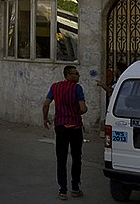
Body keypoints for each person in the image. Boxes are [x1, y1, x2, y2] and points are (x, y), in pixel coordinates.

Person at [42, 65, 88, 201]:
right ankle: (75, 188)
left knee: (61, 159)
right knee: (76, 158)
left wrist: (45, 119)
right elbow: (83, 108)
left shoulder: (55, 87)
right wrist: (76, 113)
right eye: (75, 73)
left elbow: (46, 104)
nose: (78, 75)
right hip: (75, 127)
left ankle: (62, 191)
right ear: (68, 75)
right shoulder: (77, 88)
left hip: (61, 126)